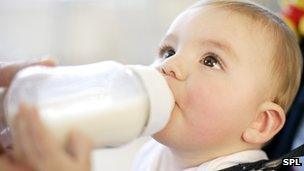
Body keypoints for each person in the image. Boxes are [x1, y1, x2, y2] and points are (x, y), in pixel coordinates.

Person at [1, 0, 303, 170]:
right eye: (168, 51)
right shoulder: (156, 152)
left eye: (210, 60)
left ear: (260, 122)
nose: (169, 66)